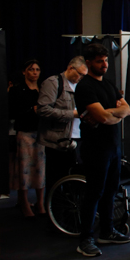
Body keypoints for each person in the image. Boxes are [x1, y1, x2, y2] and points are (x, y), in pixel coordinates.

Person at [74, 43, 130, 257]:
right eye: (100, 61)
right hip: (95, 148)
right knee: (94, 193)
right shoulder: (85, 87)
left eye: (106, 60)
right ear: (88, 63)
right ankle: (85, 239)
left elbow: (127, 109)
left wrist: (110, 113)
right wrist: (112, 114)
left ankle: (107, 232)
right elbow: (104, 117)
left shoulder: (108, 85)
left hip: (113, 146)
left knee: (110, 191)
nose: (104, 64)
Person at [38, 56, 87, 193]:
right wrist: (72, 114)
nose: (81, 78)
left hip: (78, 138)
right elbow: (43, 110)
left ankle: (72, 210)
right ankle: (55, 211)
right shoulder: (53, 83)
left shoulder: (81, 85)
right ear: (70, 68)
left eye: (84, 75)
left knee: (75, 181)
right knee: (57, 180)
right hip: (58, 141)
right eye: (80, 74)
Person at [8, 60, 46, 218]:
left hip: (41, 133)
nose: (35, 72)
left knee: (41, 169)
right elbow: (11, 113)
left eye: (37, 69)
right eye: (31, 69)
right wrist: (32, 110)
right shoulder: (17, 90)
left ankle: (41, 202)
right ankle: (23, 202)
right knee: (23, 170)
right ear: (24, 72)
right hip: (24, 132)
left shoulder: (43, 89)